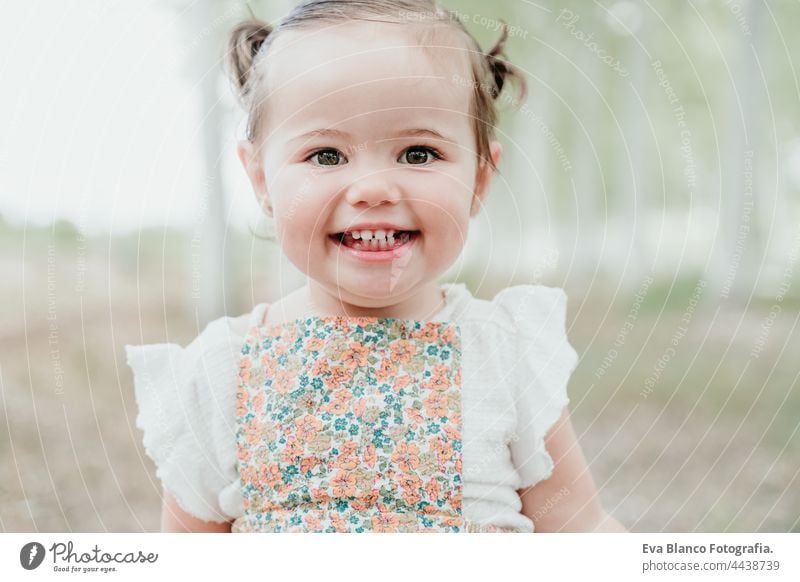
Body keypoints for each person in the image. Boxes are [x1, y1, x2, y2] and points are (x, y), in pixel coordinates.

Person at [126, 0, 625, 533]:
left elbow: (581, 529)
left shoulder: (503, 352)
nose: (372, 190)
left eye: (418, 154)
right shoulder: (222, 372)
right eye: (326, 155)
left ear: (479, 178)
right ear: (263, 181)